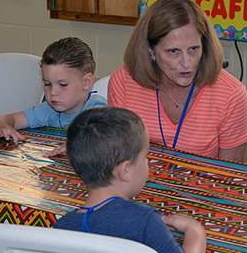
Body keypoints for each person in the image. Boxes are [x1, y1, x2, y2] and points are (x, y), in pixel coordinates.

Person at [108, 0, 247, 162]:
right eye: (173, 51)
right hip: (139, 186)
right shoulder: (124, 81)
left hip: (204, 188)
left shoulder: (231, 94)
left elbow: (229, 177)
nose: (187, 63)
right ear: (150, 50)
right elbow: (117, 161)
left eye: (193, 49)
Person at [53, 107, 206, 253]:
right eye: (145, 156)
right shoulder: (144, 220)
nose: (147, 163)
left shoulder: (62, 227)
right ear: (125, 171)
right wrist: (195, 230)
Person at [0, 36, 107, 156]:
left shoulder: (97, 108)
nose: (52, 92)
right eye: (47, 84)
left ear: (86, 82)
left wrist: (77, 144)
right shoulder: (48, 109)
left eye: (62, 84)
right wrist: (3, 126)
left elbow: (103, 139)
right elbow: (9, 118)